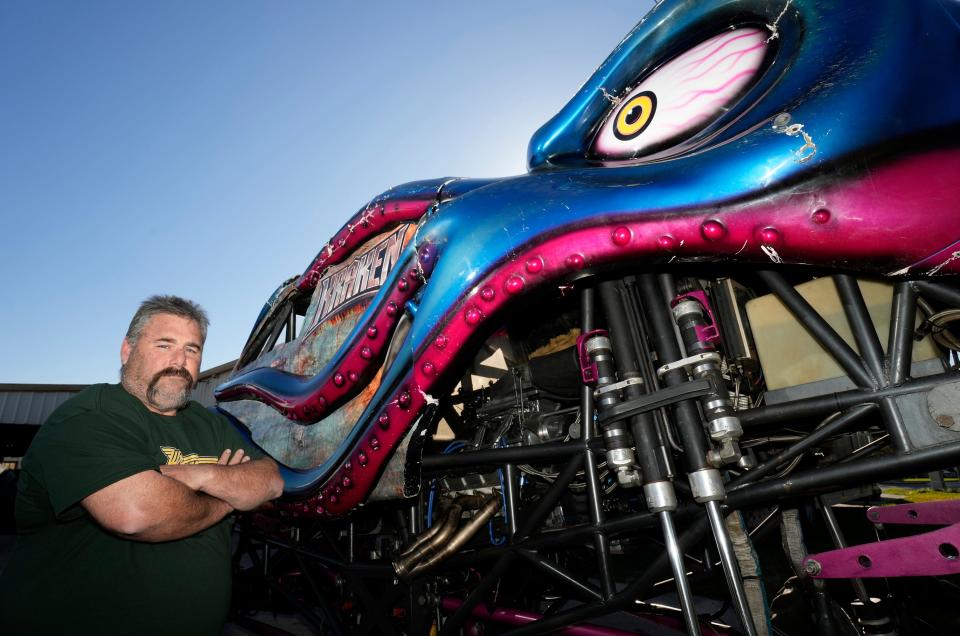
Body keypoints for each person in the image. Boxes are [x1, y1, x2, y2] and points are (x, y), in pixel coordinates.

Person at [0, 295, 284, 635]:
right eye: (165, 345)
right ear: (127, 350)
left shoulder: (212, 424)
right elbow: (136, 515)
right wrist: (227, 495)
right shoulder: (89, 415)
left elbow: (271, 480)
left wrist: (200, 474)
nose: (179, 361)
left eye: (192, 350)